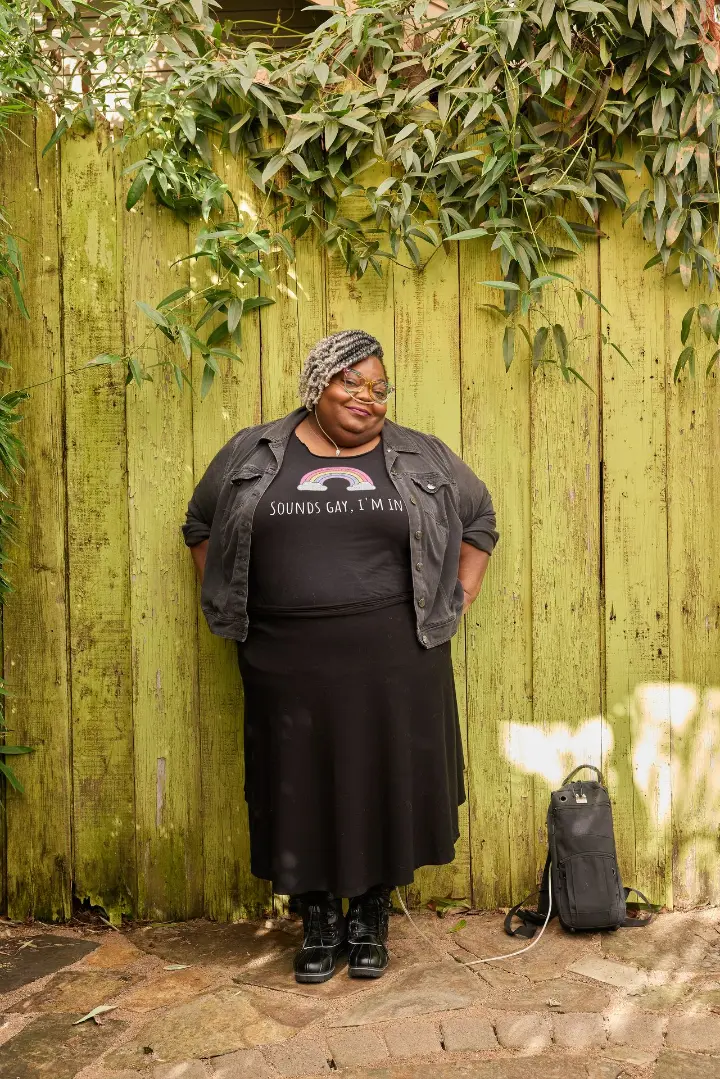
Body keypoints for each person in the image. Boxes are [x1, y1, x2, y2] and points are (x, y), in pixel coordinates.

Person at [182, 329, 498, 985]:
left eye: (378, 387)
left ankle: (371, 914)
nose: (367, 397)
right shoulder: (253, 451)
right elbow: (201, 524)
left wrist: (458, 598)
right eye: (350, 382)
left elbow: (479, 521)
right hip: (284, 660)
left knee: (385, 780)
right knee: (296, 782)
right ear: (316, 385)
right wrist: (232, 599)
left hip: (397, 659)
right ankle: (319, 917)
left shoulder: (421, 454)